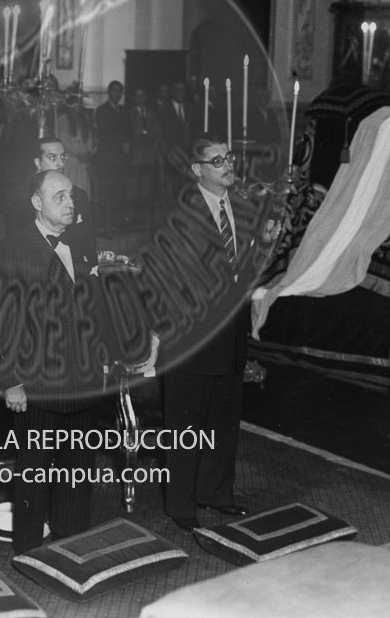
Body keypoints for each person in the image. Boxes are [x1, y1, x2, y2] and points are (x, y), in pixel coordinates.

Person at [0, 170, 105, 554]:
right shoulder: (13, 249)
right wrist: (10, 380)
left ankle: (70, 550)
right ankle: (27, 555)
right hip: (36, 385)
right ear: (37, 203)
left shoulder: (80, 246)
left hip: (81, 381)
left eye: (71, 196)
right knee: (34, 474)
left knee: (77, 472)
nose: (70, 203)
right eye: (59, 196)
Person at [162, 138, 251, 530]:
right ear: (197, 170)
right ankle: (181, 505)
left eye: (228, 157)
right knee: (185, 424)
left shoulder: (242, 209)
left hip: (230, 334)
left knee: (222, 419)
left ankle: (216, 493)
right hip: (191, 338)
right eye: (217, 160)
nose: (227, 165)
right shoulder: (178, 214)